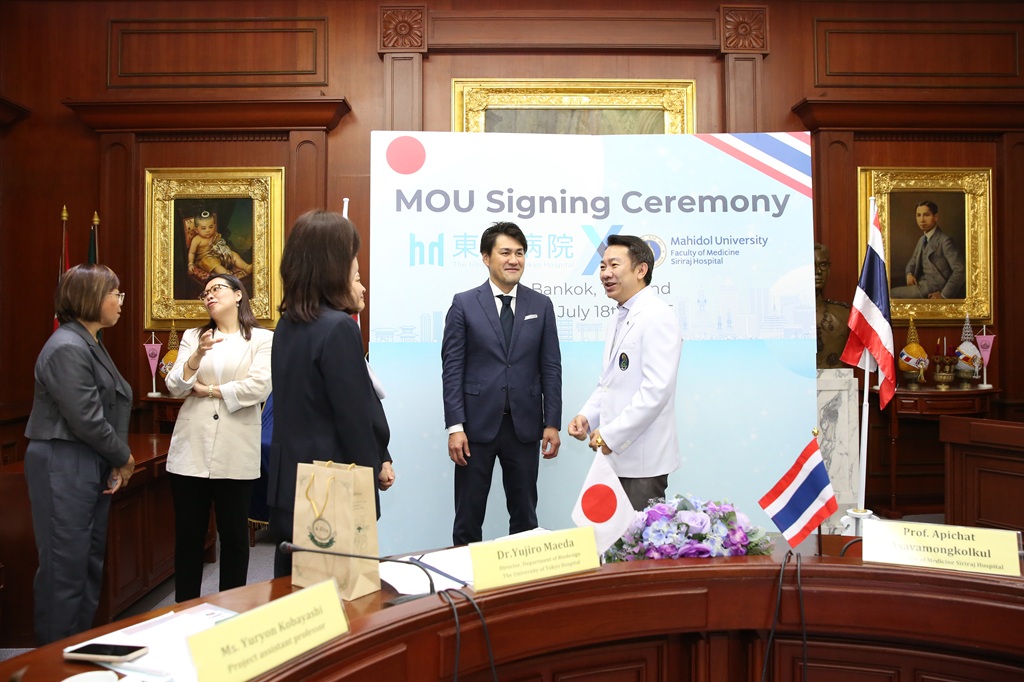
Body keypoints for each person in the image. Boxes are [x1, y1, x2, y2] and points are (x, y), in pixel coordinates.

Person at [268, 210, 395, 578]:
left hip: (295, 482)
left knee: (296, 589)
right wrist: (373, 473)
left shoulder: (289, 323)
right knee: (338, 597)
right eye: (353, 261)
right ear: (333, 264)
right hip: (333, 487)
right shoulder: (338, 328)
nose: (358, 269)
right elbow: (352, 419)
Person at [23, 264, 135, 644]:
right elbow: (87, 418)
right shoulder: (67, 346)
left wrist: (114, 457)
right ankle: (51, 665)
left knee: (86, 566)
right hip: (63, 462)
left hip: (84, 462)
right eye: (114, 293)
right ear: (90, 297)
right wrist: (124, 457)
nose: (121, 301)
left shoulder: (89, 341)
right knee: (64, 572)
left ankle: (74, 655)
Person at [442, 222, 562, 545]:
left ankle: (521, 589)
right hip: (474, 429)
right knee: (468, 517)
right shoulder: (464, 304)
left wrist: (552, 422)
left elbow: (551, 367)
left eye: (520, 253)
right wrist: (455, 427)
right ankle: (465, 588)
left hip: (524, 427)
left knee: (525, 517)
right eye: (505, 252)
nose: (514, 260)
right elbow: (452, 368)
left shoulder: (541, 305)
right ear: (486, 257)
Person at [163, 273, 273, 601]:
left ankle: (231, 611)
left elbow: (259, 386)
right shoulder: (193, 336)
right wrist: (196, 355)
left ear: (239, 295)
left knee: (235, 538)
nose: (210, 296)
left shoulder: (262, 339)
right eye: (206, 292)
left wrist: (209, 390)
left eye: (217, 289)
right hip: (191, 451)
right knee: (189, 537)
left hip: (236, 450)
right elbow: (174, 386)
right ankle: (185, 608)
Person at [567, 235, 682, 511]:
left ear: (641, 270)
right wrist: (587, 416)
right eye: (602, 266)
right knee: (615, 545)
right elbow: (608, 382)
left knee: (637, 547)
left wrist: (611, 435)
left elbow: (656, 390)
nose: (605, 274)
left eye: (614, 265)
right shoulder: (618, 316)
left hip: (643, 461)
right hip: (614, 457)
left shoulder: (657, 316)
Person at [890, 201, 966, 299]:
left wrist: (944, 295)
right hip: (920, 284)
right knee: (888, 291)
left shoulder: (945, 241)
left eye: (926, 215)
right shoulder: (922, 240)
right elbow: (912, 262)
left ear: (936, 217)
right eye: (918, 215)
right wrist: (909, 274)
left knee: (890, 294)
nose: (922, 220)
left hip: (934, 287)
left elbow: (960, 270)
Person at [814, 243, 851, 369]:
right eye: (810, 265)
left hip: (838, 384)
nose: (817, 271)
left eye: (823, 265)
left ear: (829, 270)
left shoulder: (843, 314)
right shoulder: (783, 315)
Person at [188, 210, 253, 279]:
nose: (208, 230)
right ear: (196, 230)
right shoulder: (197, 239)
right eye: (203, 228)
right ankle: (228, 275)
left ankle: (246, 267)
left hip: (217, 254)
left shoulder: (215, 235)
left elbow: (220, 244)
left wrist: (224, 250)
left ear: (214, 226)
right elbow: (192, 253)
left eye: (211, 227)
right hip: (205, 259)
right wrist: (190, 264)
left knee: (233, 254)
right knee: (213, 264)